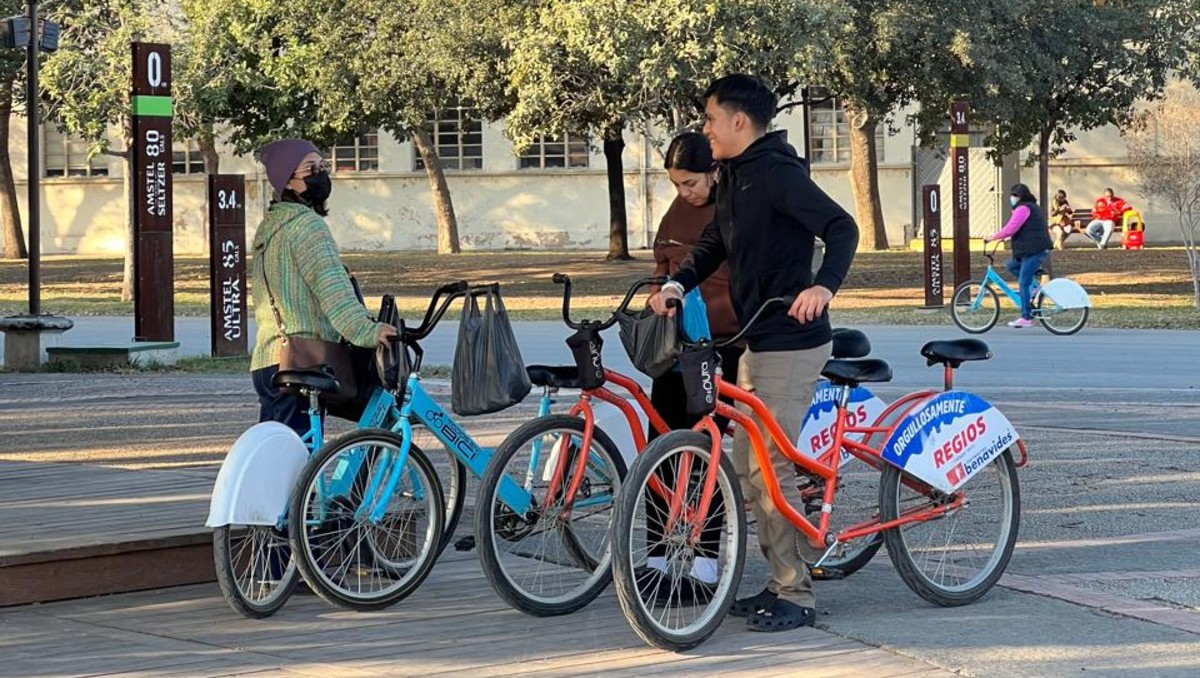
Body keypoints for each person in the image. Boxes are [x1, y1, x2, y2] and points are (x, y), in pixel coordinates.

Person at [648, 74, 860, 632]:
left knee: (770, 469)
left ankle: (797, 592)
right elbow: (715, 242)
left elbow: (842, 227)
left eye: (711, 119)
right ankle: (775, 583)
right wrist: (678, 284)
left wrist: (824, 286)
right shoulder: (738, 176)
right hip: (755, 339)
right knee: (747, 467)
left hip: (791, 342)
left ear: (739, 121)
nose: (706, 129)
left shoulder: (777, 174)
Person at [640, 132, 743, 603]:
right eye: (677, 184)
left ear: (714, 173)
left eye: (690, 183)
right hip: (674, 344)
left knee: (707, 449)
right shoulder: (676, 211)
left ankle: (704, 561)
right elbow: (662, 266)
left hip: (724, 343)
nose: (684, 192)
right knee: (659, 445)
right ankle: (657, 555)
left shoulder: (735, 209)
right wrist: (657, 289)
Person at [250, 139, 397, 436]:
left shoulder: (270, 230)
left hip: (269, 363)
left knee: (279, 459)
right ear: (288, 181)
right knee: (381, 417)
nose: (320, 174)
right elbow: (335, 295)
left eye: (323, 166)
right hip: (304, 362)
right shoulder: (308, 227)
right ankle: (361, 482)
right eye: (310, 169)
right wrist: (370, 331)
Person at [983, 183, 1053, 328]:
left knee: (1022, 282)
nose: (1011, 198)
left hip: (1035, 249)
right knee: (1011, 265)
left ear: (1019, 197)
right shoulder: (1030, 207)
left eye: (1014, 195)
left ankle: (1026, 317)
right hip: (1033, 248)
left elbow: (1011, 228)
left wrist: (993, 237)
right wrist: (1006, 237)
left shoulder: (1023, 208)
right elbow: (1024, 228)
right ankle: (1034, 287)